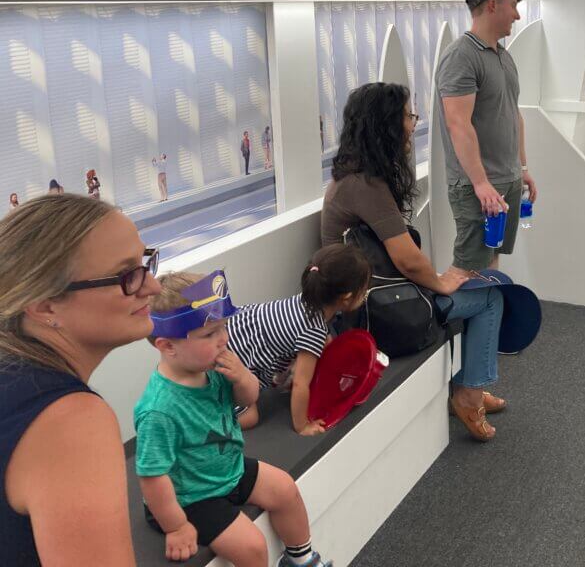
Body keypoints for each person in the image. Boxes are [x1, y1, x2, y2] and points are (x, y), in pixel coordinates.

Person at [323, 82, 508, 442]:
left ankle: (468, 380)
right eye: (408, 115)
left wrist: (443, 278)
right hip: (372, 313)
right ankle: (468, 395)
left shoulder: (356, 178)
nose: (413, 122)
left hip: (376, 298)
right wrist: (442, 282)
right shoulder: (364, 185)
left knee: (479, 284)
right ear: (387, 124)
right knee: (490, 297)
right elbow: (407, 260)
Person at [0, 194, 161, 564]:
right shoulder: (70, 422)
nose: (152, 287)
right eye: (128, 275)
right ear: (45, 306)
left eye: (146, 261)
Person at [136, 271, 332, 566]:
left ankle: (301, 559)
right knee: (252, 547)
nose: (223, 340)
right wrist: (175, 526)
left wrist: (242, 377)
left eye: (223, 328)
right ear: (167, 346)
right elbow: (152, 476)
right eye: (209, 334)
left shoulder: (213, 368)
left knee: (286, 489)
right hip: (190, 497)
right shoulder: (159, 410)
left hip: (229, 470)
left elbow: (248, 398)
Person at [435, 0, 538, 272]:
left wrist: (522, 168)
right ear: (493, 5)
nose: (517, 15)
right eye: (513, 5)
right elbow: (458, 124)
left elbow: (513, 114)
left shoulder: (503, 56)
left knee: (490, 261)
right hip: (475, 185)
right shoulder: (460, 57)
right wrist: (480, 183)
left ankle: (488, 317)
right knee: (469, 266)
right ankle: (448, 317)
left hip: (506, 179)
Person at [227, 244, 371, 434]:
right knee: (251, 416)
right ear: (347, 297)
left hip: (230, 333)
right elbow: (300, 384)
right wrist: (302, 425)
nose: (365, 295)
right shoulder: (313, 331)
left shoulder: (306, 300)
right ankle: (205, 424)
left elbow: (315, 341)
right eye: (364, 291)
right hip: (226, 365)